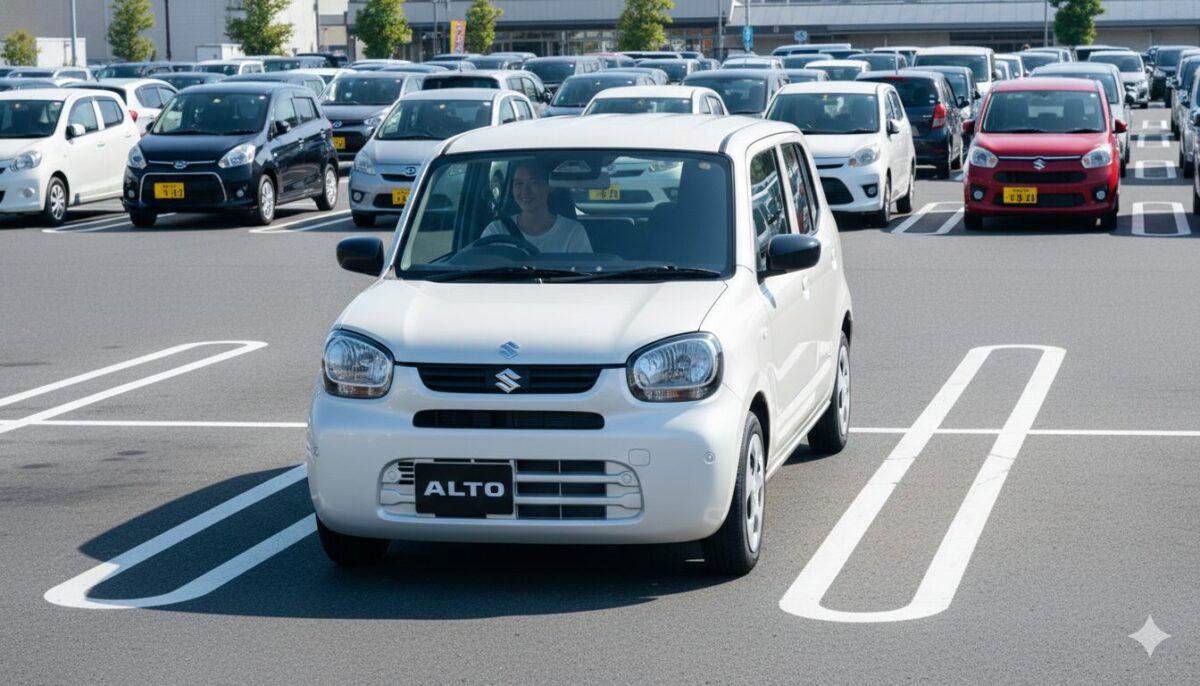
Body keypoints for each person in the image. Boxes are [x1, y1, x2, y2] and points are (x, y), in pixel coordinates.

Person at [481, 160, 593, 252]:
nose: (525, 191)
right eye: (519, 183)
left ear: (550, 187)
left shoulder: (572, 232)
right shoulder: (496, 231)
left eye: (534, 182)